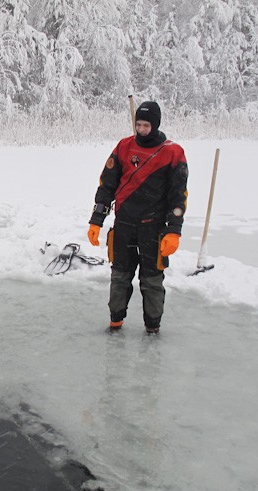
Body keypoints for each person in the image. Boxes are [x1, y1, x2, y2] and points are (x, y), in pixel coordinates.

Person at [87, 101, 188, 334]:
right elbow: (107, 185)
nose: (141, 130)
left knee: (151, 280)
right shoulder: (124, 147)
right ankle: (115, 321)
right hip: (123, 225)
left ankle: (152, 327)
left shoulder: (173, 153)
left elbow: (178, 196)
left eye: (146, 125)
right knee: (120, 275)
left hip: (152, 228)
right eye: (138, 125)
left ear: (156, 125)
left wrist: (174, 229)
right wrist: (96, 220)